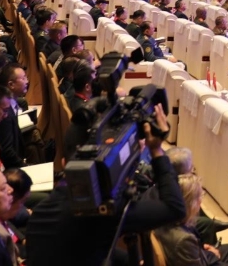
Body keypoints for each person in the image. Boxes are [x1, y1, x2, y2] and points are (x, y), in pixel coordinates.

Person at [28, 106, 187, 266]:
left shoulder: (41, 212)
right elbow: (175, 208)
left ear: (63, 163)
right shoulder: (104, 210)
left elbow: (84, 247)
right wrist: (156, 150)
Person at [152, 174, 228, 266]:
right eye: (199, 196)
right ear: (189, 203)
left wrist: (203, 250)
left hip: (194, 257)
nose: (201, 201)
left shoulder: (165, 219)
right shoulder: (184, 240)